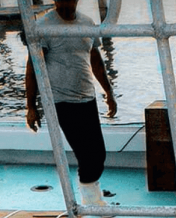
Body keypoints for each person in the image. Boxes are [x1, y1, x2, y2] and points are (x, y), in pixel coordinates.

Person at [25, 0, 117, 206]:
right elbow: (32, 67)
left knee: (99, 155)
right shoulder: (43, 27)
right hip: (61, 101)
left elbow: (96, 60)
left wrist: (109, 93)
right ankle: (92, 204)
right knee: (87, 156)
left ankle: (91, 197)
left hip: (87, 98)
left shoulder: (87, 23)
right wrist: (31, 106)